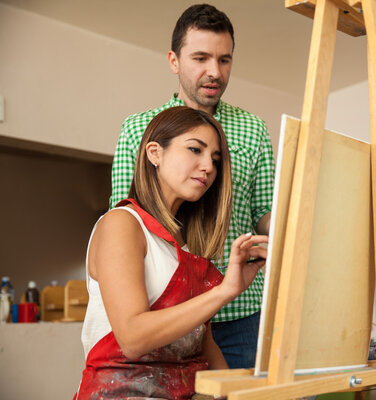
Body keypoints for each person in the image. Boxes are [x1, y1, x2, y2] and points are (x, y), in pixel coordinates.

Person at [109, 4, 275, 368]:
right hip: (167, 312)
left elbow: (263, 210)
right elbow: (125, 218)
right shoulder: (138, 128)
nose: (214, 71)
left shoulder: (254, 129)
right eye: (200, 58)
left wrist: (287, 229)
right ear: (174, 60)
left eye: (224, 60)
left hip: (240, 312)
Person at [75, 106, 268, 399]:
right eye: (195, 149)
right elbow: (133, 338)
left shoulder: (188, 247)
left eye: (215, 160)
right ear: (155, 153)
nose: (208, 167)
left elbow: (204, 345)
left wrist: (234, 394)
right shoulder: (122, 224)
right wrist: (225, 291)